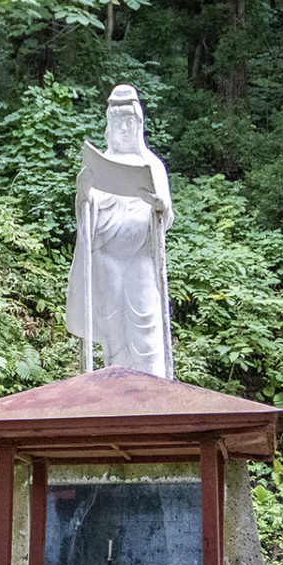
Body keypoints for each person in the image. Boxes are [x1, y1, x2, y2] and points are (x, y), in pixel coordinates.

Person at [65, 85, 174, 379]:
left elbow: (166, 214)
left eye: (129, 122)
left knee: (145, 323)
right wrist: (84, 193)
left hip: (140, 255)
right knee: (113, 325)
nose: (124, 129)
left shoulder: (152, 165)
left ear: (139, 125)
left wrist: (159, 206)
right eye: (118, 122)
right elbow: (87, 215)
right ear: (108, 126)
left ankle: (153, 385)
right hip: (107, 255)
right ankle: (116, 386)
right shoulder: (100, 167)